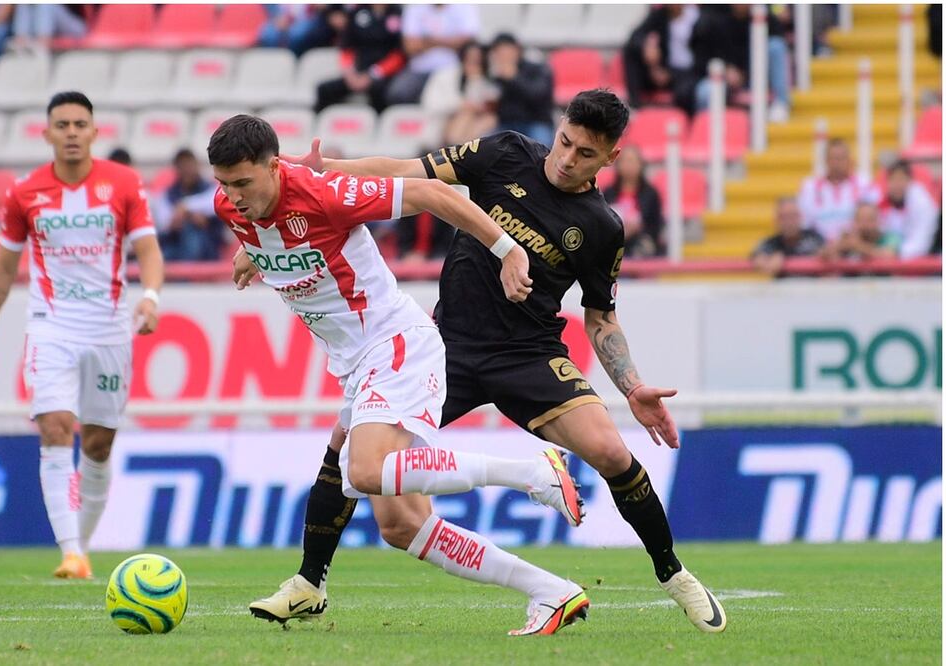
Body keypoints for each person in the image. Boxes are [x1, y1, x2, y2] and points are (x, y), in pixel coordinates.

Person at [244, 89, 728, 634]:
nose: (568, 159)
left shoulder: (602, 227)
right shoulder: (505, 153)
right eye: (565, 142)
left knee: (612, 452)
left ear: (611, 158)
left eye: (586, 154)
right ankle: (311, 581)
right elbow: (409, 172)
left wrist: (632, 385)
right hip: (446, 346)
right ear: (558, 126)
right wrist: (327, 169)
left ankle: (674, 574)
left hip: (530, 355)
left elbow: (600, 317)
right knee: (370, 480)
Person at [209, 114, 588, 636]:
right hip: (354, 361)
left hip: (394, 344)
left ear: (274, 167)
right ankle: (550, 592)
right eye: (224, 184)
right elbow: (267, 229)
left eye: (243, 183)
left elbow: (435, 194)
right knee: (402, 525)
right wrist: (252, 252)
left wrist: (507, 250)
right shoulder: (232, 206)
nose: (232, 196)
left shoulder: (326, 195)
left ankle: (532, 473)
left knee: (363, 469)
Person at [0, 91, 164, 580]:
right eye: (63, 125)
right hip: (51, 325)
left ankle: (82, 545)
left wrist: (150, 297)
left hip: (109, 328)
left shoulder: (124, 184)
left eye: (80, 124)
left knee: (98, 444)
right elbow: (3, 269)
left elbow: (148, 250)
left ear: (95, 132)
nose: (72, 132)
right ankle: (71, 552)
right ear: (47, 133)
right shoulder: (25, 192)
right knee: (55, 425)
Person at [690, 4, 791, 122]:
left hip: (755, 76)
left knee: (776, 46)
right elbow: (703, 54)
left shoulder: (763, 15)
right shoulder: (714, 17)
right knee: (706, 91)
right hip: (721, 78)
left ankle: (781, 104)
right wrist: (726, 69)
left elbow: (779, 35)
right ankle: (704, 128)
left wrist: (744, 73)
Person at [314, 5, 405, 114]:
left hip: (384, 74)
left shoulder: (398, 14)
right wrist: (349, 73)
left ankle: (379, 123)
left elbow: (399, 54)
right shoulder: (358, 12)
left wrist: (373, 74)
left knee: (380, 91)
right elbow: (347, 47)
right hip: (358, 72)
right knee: (324, 89)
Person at [386, 4, 479, 106]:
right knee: (397, 93)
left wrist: (427, 41)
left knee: (451, 101)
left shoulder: (464, 7)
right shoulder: (415, 9)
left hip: (451, 68)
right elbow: (410, 46)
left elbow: (468, 42)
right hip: (419, 69)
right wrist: (450, 41)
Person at [796, 138, 880, 243]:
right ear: (826, 160)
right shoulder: (810, 187)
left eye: (841, 158)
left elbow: (874, 220)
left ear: (849, 159)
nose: (837, 163)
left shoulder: (864, 184)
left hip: (857, 245)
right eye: (834, 158)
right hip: (819, 246)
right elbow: (805, 223)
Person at [622, 4, 701, 114]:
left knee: (686, 92)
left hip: (689, 72)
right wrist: (646, 47)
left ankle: (684, 119)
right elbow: (635, 37)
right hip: (664, 69)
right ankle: (634, 106)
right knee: (631, 53)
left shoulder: (697, 16)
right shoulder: (660, 15)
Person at [153, 148, 223, 261]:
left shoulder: (211, 190)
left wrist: (186, 210)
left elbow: (214, 206)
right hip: (174, 246)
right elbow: (163, 224)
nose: (187, 170)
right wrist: (173, 224)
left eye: (189, 165)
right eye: (183, 166)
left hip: (206, 249)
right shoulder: (167, 195)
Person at [486, 33, 555, 147]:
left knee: (540, 149)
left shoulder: (536, 68)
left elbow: (537, 95)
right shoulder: (496, 76)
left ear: (517, 50)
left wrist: (513, 78)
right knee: (484, 145)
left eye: (505, 52)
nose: (503, 57)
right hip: (506, 125)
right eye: (498, 53)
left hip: (535, 122)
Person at [602, 145, 664, 257]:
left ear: (641, 164)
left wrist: (637, 228)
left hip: (641, 241)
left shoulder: (650, 194)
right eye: (625, 161)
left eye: (632, 161)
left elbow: (656, 225)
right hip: (614, 240)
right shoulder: (608, 193)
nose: (628, 165)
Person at [879, 160, 940, 259]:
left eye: (900, 179)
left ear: (910, 180)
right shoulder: (885, 202)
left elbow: (921, 244)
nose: (896, 185)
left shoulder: (922, 203)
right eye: (892, 179)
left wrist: (895, 252)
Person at [750, 196, 825, 276]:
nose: (789, 222)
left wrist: (784, 257)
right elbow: (758, 254)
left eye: (792, 216)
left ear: (800, 217)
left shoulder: (813, 238)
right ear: (777, 220)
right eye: (784, 217)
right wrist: (760, 257)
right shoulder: (772, 242)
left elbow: (825, 253)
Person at [821, 201, 900, 262]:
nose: (865, 224)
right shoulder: (848, 238)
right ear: (854, 222)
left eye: (870, 220)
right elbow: (823, 254)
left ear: (878, 221)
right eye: (860, 220)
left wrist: (858, 246)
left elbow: (889, 255)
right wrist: (841, 245)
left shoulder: (890, 237)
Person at [11, 4, 87, 54]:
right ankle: (21, 41)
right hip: (42, 28)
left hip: (79, 27)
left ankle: (42, 43)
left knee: (46, 4)